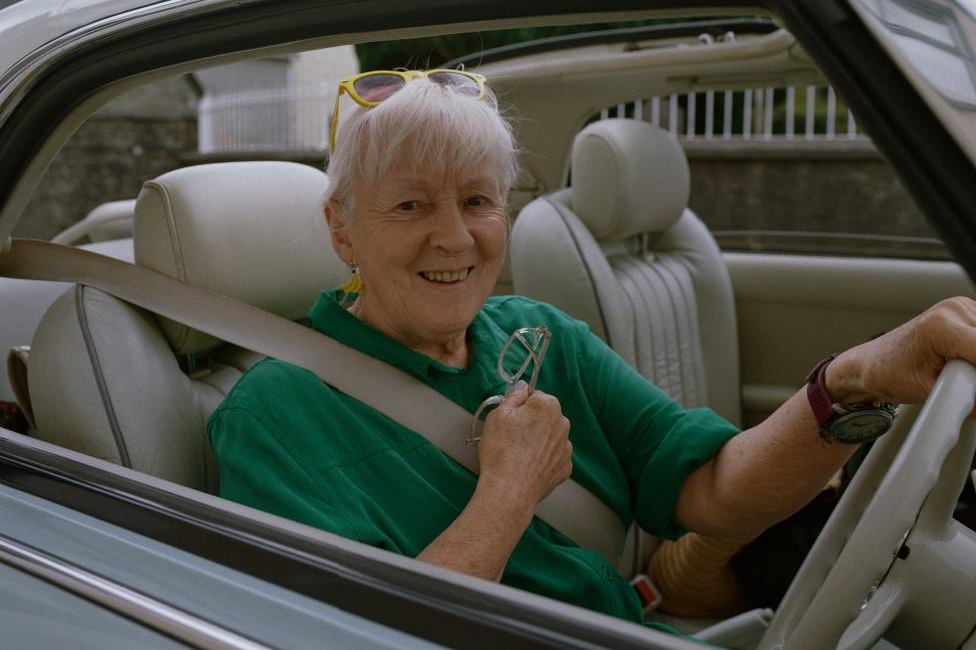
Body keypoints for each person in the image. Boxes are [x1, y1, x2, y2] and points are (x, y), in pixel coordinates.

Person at [207, 68, 976, 630]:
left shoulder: (542, 337)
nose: (454, 236)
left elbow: (715, 490)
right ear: (342, 228)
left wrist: (850, 382)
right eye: (410, 205)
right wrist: (509, 492)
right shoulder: (276, 413)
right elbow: (356, 637)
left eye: (477, 200)